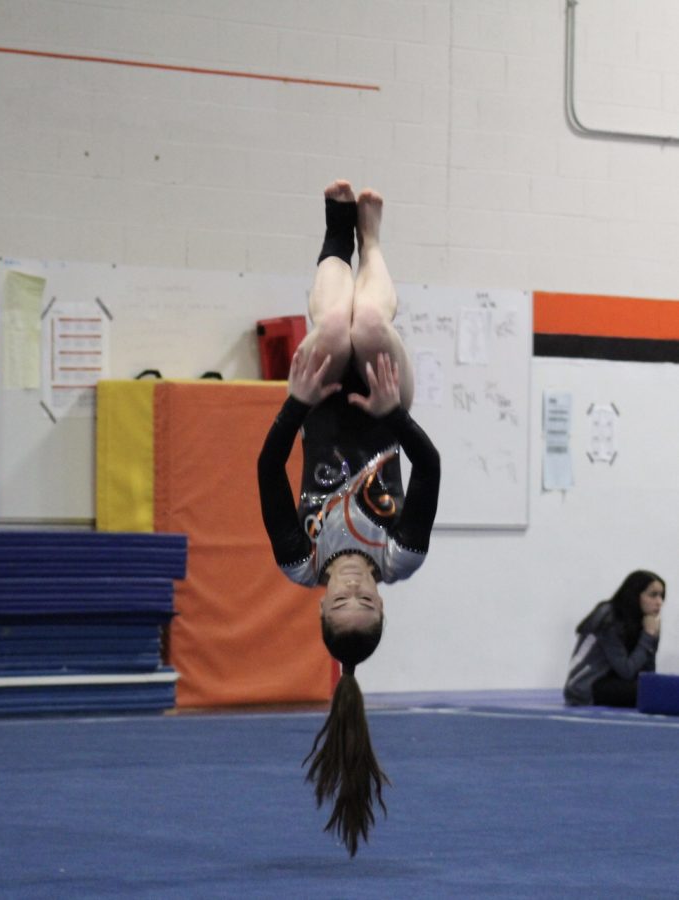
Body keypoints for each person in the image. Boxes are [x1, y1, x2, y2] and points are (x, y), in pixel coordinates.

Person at [257, 181, 441, 856]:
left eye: (343, 602)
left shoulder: (297, 556)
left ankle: (338, 232)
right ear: (382, 608)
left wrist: (296, 403)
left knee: (334, 326)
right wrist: (397, 416)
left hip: (320, 403)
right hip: (388, 406)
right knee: (368, 325)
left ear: (322, 606)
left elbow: (266, 468)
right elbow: (432, 467)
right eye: (367, 601)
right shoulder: (401, 555)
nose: (355, 589)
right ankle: (371, 239)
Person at [563, 570, 665, 708]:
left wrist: (652, 637)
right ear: (635, 595)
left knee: (661, 690)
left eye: (661, 596)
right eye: (653, 595)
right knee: (652, 692)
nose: (659, 602)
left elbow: (647, 671)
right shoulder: (608, 618)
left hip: (616, 680)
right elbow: (627, 671)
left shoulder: (647, 621)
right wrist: (648, 636)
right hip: (586, 686)